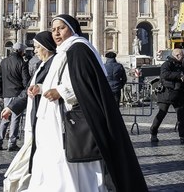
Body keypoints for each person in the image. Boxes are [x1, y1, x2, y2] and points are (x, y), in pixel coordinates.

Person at [27, 14, 147, 191]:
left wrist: (60, 91)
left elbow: (84, 82)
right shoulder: (65, 51)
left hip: (67, 118)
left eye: (61, 28)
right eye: (53, 29)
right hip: (55, 117)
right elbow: (66, 79)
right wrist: (41, 87)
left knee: (70, 159)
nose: (56, 33)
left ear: (72, 29)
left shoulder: (78, 49)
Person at [2, 31, 56, 191]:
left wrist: (41, 88)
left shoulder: (54, 65)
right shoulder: (42, 65)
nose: (34, 51)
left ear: (46, 48)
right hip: (37, 120)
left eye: (37, 47)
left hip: (47, 121)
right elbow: (29, 90)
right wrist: (12, 107)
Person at [150, 48, 184, 144]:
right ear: (177, 55)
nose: (183, 58)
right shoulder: (167, 64)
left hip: (177, 93)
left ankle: (183, 136)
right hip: (166, 93)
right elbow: (165, 75)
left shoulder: (180, 65)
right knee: (162, 114)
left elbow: (182, 78)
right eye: (182, 56)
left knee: (181, 115)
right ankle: (153, 132)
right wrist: (178, 75)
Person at [0, 43, 30, 151]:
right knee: (15, 118)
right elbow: (26, 82)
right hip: (18, 94)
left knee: (5, 118)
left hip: (6, 94)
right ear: (20, 51)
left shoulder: (3, 62)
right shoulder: (22, 63)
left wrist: (0, 93)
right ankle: (12, 142)